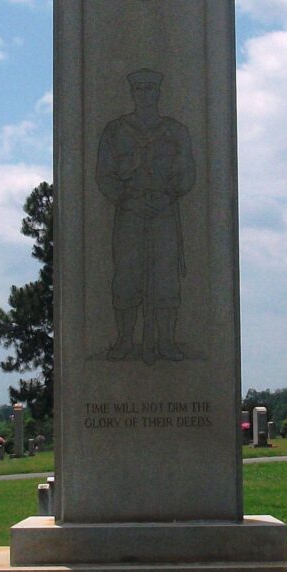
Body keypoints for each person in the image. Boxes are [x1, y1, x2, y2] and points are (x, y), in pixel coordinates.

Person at [95, 69, 196, 364]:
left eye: (150, 90)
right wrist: (128, 198)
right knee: (126, 277)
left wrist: (167, 195)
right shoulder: (116, 131)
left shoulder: (175, 131)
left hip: (164, 213)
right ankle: (125, 340)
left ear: (158, 93)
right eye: (139, 90)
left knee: (166, 279)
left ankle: (166, 341)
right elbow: (104, 175)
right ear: (133, 93)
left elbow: (187, 172)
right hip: (129, 214)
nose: (145, 95)